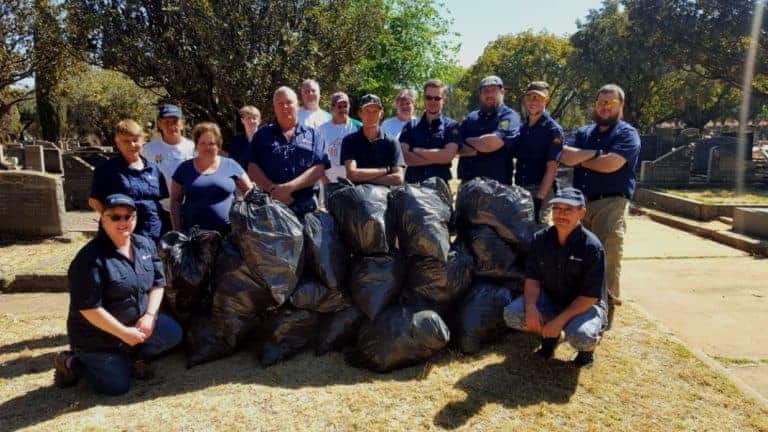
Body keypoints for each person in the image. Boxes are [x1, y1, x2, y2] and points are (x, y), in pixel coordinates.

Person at [53, 194, 183, 395]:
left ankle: (131, 355)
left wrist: (150, 316)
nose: (123, 222)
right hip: (99, 337)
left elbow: (158, 283)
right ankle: (71, 362)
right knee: (116, 387)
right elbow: (90, 308)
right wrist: (124, 333)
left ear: (135, 218)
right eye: (115, 217)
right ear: (103, 219)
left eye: (128, 216)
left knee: (173, 334)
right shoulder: (89, 259)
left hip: (137, 324)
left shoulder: (144, 245)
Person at [557, 84, 641, 328]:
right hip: (580, 204)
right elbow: (567, 156)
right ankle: (578, 309)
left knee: (608, 257)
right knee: (577, 258)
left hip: (611, 204)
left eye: (611, 103)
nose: (605, 107)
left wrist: (584, 158)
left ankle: (604, 316)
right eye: (601, 102)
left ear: (620, 106)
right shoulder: (585, 132)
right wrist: (596, 154)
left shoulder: (627, 134)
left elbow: (611, 165)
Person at [503, 187, 607, 368]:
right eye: (557, 208)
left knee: (582, 336)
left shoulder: (592, 247)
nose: (561, 214)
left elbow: (589, 297)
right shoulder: (541, 239)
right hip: (552, 298)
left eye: (568, 210)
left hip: (584, 306)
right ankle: (549, 338)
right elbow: (533, 279)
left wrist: (559, 321)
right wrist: (531, 307)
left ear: (581, 213)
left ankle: (586, 352)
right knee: (513, 315)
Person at [249, 86, 330, 217]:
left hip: (307, 208)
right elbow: (252, 167)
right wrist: (273, 189)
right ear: (274, 108)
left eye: (289, 102)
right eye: (280, 104)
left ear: (297, 105)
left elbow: (319, 169)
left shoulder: (314, 134)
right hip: (271, 207)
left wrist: (287, 189)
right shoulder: (261, 135)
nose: (285, 107)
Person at [89, 119, 168, 244]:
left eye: (135, 140)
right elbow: (94, 201)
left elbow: (158, 201)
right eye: (126, 141)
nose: (132, 145)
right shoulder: (106, 170)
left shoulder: (153, 169)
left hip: (153, 234)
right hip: (121, 235)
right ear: (117, 142)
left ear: (142, 141)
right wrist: (113, 221)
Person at [169, 122, 253, 234]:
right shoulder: (184, 168)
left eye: (212, 143)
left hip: (229, 235)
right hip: (194, 237)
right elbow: (175, 201)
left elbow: (250, 192)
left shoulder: (231, 165)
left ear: (218, 145)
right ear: (196, 145)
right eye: (202, 143)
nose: (207, 147)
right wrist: (177, 229)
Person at [514, 81, 564, 224]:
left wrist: (539, 199)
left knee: (540, 229)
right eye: (529, 97)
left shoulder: (552, 130)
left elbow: (552, 168)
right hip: (522, 187)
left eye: (538, 97)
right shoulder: (523, 127)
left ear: (546, 100)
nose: (532, 101)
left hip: (542, 189)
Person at [457, 75, 521, 185]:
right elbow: (455, 144)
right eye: (485, 91)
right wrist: (479, 143)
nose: (489, 95)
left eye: (494, 91)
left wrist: (468, 141)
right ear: (480, 94)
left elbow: (492, 143)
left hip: (498, 188)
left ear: (502, 92)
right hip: (467, 185)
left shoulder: (509, 117)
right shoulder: (471, 117)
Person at [141, 104, 195, 231]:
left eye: (175, 121)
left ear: (181, 123)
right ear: (159, 124)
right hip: (159, 211)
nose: (171, 126)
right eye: (167, 122)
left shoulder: (193, 148)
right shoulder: (149, 150)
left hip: (187, 210)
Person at [399, 79, 461, 184]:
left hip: (440, 189)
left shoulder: (451, 126)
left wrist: (418, 151)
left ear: (444, 100)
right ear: (424, 99)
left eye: (437, 98)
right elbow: (405, 157)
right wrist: (438, 159)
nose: (433, 101)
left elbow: (448, 156)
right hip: (413, 188)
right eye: (429, 97)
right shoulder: (410, 126)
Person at [341, 94, 405, 186]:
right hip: (356, 198)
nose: (371, 115)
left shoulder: (391, 142)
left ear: (381, 114)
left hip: (383, 198)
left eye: (375, 111)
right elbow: (351, 174)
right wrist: (385, 170)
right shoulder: (349, 141)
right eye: (367, 111)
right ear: (360, 113)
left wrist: (363, 178)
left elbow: (398, 178)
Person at [316, 92, 362, 183]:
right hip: (329, 182)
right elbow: (316, 158)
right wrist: (324, 180)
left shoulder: (358, 127)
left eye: (345, 106)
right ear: (332, 108)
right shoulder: (322, 129)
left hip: (354, 182)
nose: (343, 109)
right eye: (339, 106)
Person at [227, 105, 261, 171]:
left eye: (254, 118)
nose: (251, 121)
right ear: (242, 121)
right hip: (241, 177)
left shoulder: (266, 139)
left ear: (259, 121)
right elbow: (232, 163)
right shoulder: (236, 140)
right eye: (248, 118)